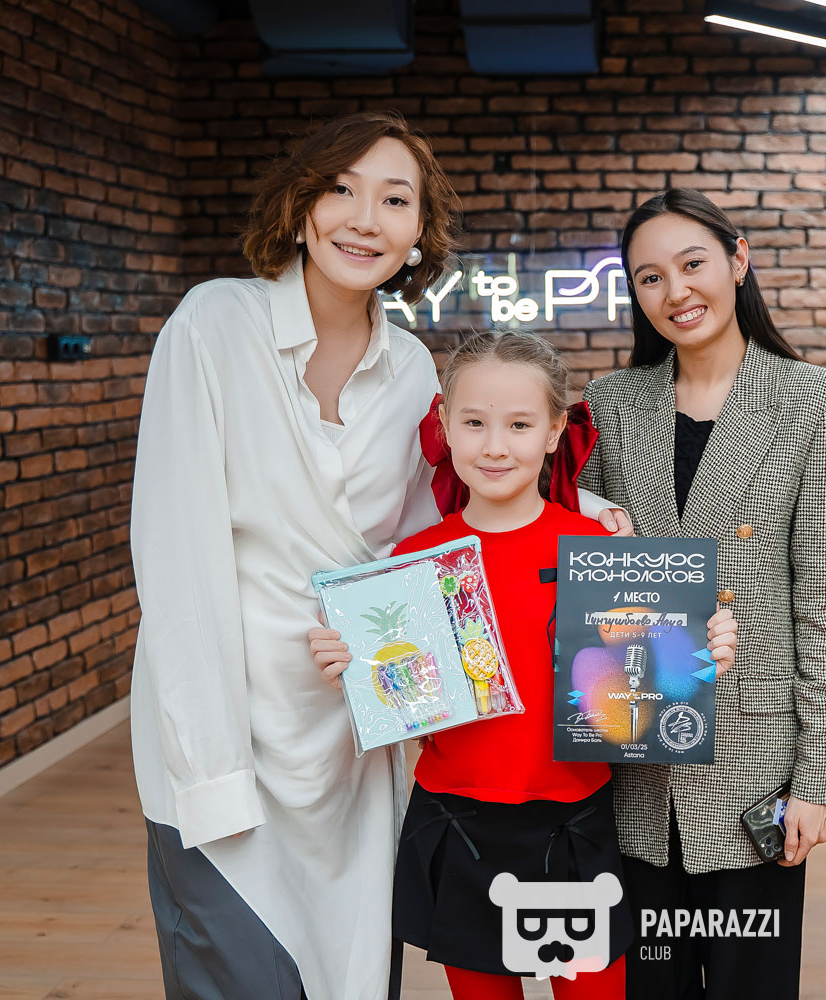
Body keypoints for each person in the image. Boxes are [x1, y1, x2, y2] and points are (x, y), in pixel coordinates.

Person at [130, 111, 628, 1000]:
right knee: (235, 971)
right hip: (227, 711)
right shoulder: (214, 323)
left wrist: (589, 524)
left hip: (354, 721)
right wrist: (207, 766)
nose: (366, 219)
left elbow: (441, 530)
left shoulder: (410, 370)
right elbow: (175, 559)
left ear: (418, 233)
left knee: (352, 973)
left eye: (395, 200)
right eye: (341, 190)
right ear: (300, 208)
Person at [308, 330, 739, 999]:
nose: (494, 446)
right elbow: (404, 698)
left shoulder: (601, 551)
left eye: (518, 424)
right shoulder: (410, 565)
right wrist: (348, 660)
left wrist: (702, 654)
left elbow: (651, 686)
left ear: (554, 432)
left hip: (575, 821)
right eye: (474, 423)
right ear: (444, 426)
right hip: (460, 823)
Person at [578, 188, 826, 999]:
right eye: (650, 277)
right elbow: (580, 577)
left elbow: (825, 601)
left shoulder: (818, 402)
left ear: (738, 260)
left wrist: (820, 779)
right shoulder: (609, 406)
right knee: (649, 985)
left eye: (693, 263)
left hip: (754, 763)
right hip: (633, 757)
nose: (676, 291)